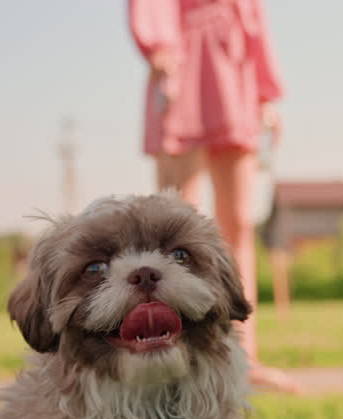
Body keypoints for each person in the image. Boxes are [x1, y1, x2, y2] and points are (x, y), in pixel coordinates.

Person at [128, 0, 300, 394]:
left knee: (239, 222)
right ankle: (177, 357)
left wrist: (265, 92)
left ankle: (242, 357)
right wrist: (159, 48)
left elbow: (252, 15)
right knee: (177, 224)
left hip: (235, 73)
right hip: (183, 62)